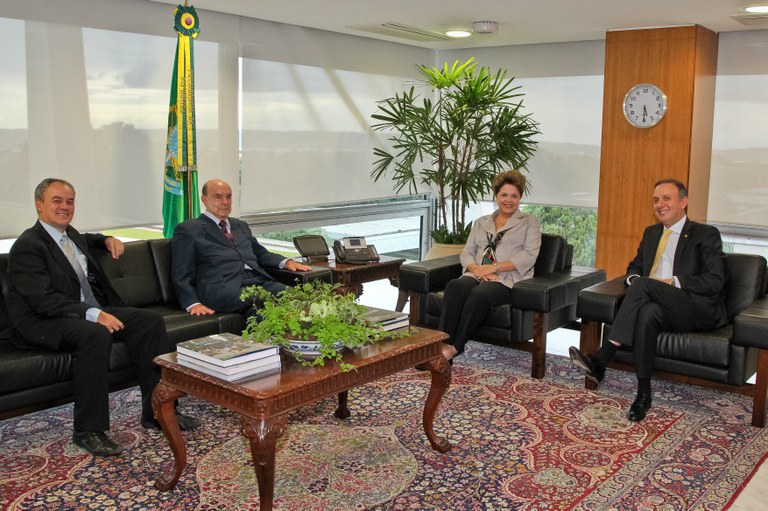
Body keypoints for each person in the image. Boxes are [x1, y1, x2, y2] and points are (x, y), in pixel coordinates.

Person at [4, 178, 200, 457]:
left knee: (149, 321)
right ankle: (89, 430)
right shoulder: (28, 245)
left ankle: (158, 411)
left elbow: (88, 239)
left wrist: (107, 239)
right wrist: (94, 314)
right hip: (43, 320)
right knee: (94, 334)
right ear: (39, 205)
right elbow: (42, 301)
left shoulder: (68, 234)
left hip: (81, 312)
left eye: (70, 201)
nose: (65, 206)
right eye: (56, 200)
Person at [568, 179, 727, 422]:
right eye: (655, 200)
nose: (660, 204)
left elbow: (715, 281)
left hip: (694, 307)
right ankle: (643, 394)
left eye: (666, 198)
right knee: (646, 311)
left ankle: (602, 358)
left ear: (684, 202)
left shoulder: (705, 234)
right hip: (657, 305)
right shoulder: (652, 233)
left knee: (644, 285)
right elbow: (634, 268)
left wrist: (672, 282)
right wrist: (634, 281)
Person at [439, 170, 542, 362]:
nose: (508, 200)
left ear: (520, 198)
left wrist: (493, 268)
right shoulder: (481, 222)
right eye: (504, 195)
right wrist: (478, 269)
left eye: (514, 196)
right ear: (496, 196)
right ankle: (442, 345)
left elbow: (529, 256)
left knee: (480, 294)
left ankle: (454, 348)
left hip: (508, 279)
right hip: (477, 273)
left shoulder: (529, 223)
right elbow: (467, 252)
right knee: (455, 286)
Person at [171, 178, 312, 315]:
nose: (225, 202)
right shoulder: (189, 229)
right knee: (262, 300)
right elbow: (181, 273)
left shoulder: (240, 226)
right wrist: (192, 303)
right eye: (218, 197)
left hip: (257, 280)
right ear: (204, 199)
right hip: (221, 288)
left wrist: (286, 262)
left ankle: (277, 338)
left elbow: (260, 254)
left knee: (297, 297)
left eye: (228, 197)